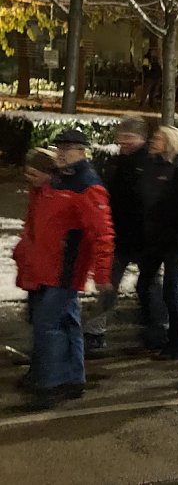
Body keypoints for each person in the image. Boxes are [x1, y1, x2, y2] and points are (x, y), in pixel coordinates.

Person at [23, 130, 114, 409]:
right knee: (68, 322)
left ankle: (52, 384)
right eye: (59, 148)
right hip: (49, 267)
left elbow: (102, 234)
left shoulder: (87, 185)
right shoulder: (60, 178)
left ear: (82, 151)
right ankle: (74, 378)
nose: (62, 153)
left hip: (64, 270)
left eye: (69, 149)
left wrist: (102, 276)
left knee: (48, 325)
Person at [84, 115, 153, 352]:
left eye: (129, 137)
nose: (123, 141)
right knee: (108, 284)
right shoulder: (117, 162)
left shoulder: (150, 163)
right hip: (119, 236)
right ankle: (95, 330)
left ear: (142, 138)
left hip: (143, 238)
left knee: (149, 285)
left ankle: (158, 325)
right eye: (121, 137)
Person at [138, 126, 178, 360]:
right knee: (144, 285)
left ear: (171, 142)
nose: (153, 140)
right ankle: (157, 334)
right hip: (154, 238)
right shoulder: (152, 165)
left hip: (174, 241)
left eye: (159, 138)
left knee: (171, 290)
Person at [13, 149, 58, 392]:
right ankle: (40, 370)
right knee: (38, 322)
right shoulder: (37, 193)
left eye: (34, 173)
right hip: (34, 267)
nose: (29, 177)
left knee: (47, 325)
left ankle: (47, 376)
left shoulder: (54, 195)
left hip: (48, 270)